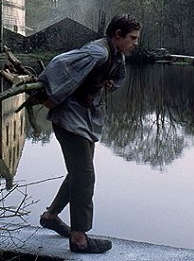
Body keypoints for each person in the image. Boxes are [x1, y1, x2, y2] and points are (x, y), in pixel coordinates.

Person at [38, 14, 141, 254]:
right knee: (84, 175)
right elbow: (60, 64)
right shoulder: (98, 52)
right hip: (70, 119)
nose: (136, 43)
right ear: (117, 35)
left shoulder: (115, 56)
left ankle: (51, 216)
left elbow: (117, 76)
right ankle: (79, 238)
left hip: (84, 120)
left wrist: (109, 83)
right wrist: (50, 97)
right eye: (132, 38)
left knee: (78, 173)